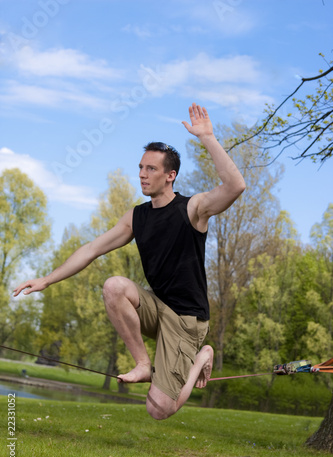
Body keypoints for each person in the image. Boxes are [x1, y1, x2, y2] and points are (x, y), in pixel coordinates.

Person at [13, 103, 246, 420]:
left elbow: (235, 186)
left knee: (160, 409)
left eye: (151, 169)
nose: (142, 174)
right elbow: (92, 248)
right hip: (157, 310)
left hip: (187, 321)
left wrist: (207, 137)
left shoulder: (193, 209)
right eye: (140, 167)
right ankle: (141, 363)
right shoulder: (137, 217)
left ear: (170, 175)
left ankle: (201, 356)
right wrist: (47, 279)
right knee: (114, 287)